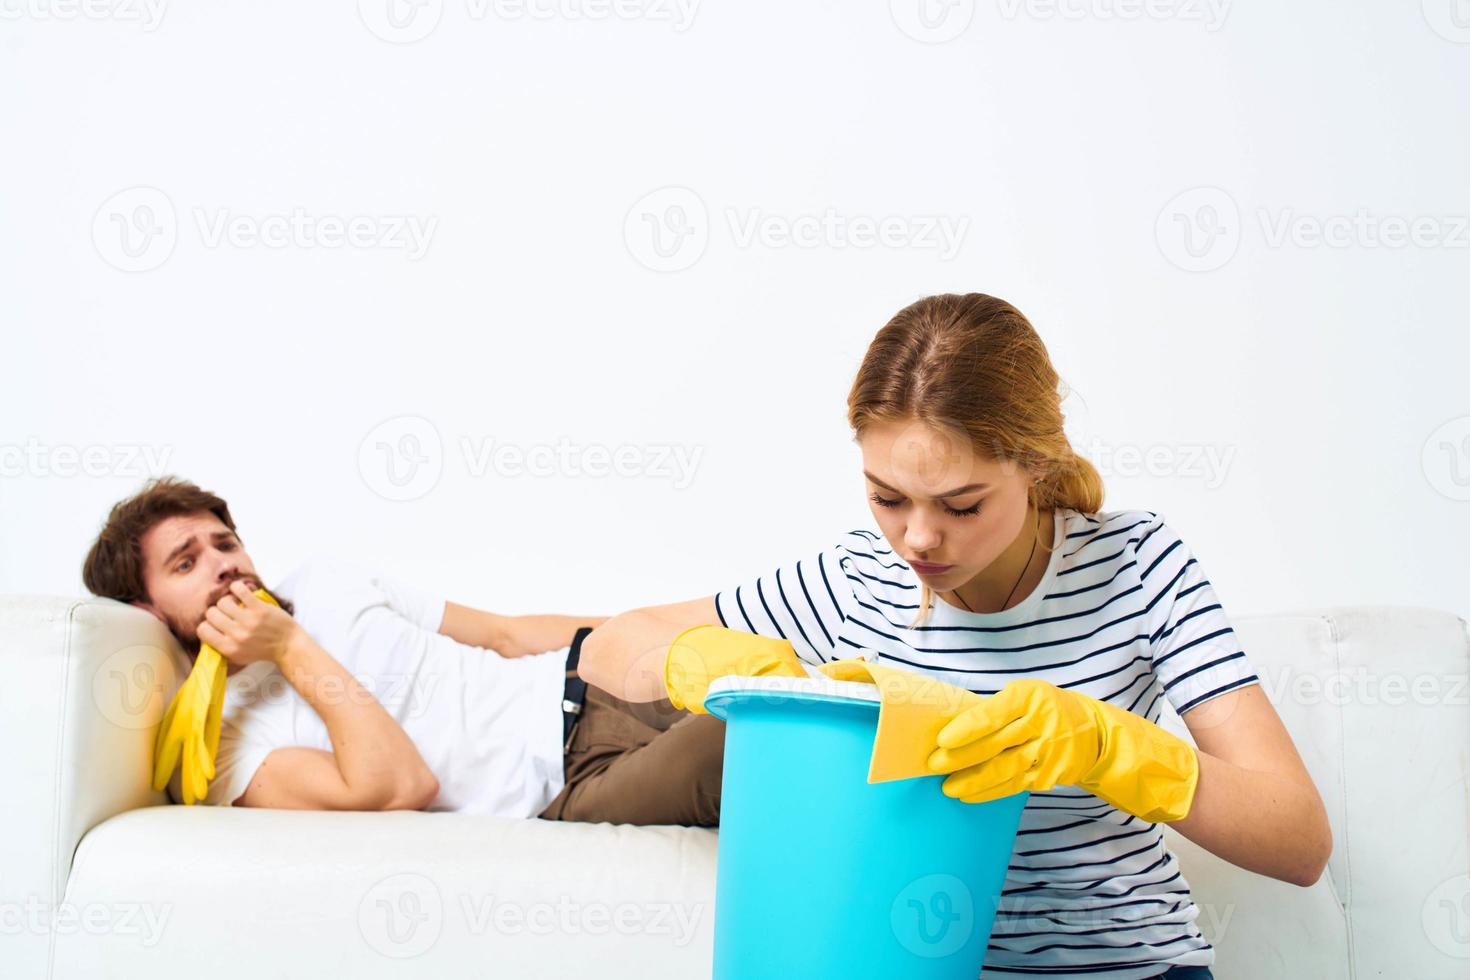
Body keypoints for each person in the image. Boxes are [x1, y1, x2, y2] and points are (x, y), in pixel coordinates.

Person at [577, 293, 1331, 979]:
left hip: (1129, 968)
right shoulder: (859, 576)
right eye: (887, 497)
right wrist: (699, 660)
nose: (918, 538)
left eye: (962, 505)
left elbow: (1298, 841)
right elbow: (610, 647)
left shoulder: (1137, 566)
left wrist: (1111, 748)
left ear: (1035, 464)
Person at [80, 476, 723, 825]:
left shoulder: (326, 579)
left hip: (591, 677)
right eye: (186, 563)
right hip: (569, 781)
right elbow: (397, 786)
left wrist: (687, 623)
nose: (223, 566)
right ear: (149, 612)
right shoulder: (220, 751)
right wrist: (288, 646)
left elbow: (505, 633)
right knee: (742, 741)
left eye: (225, 544)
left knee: (774, 675)